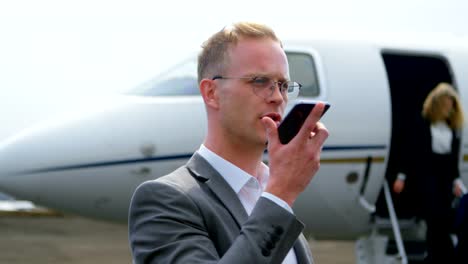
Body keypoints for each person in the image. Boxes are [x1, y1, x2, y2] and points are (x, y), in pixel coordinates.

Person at [128, 22, 329, 264]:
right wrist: (281, 195)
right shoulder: (163, 199)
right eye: (259, 81)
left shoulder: (269, 194)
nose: (277, 97)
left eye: (283, 85)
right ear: (211, 92)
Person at [392, 82, 466, 263]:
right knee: (434, 216)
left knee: (443, 217)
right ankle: (439, 255)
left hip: (445, 177)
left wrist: (457, 181)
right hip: (428, 175)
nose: (448, 108)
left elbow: (452, 160)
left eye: (451, 104)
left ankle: (439, 256)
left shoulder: (452, 129)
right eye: (446, 103)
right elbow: (411, 151)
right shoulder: (423, 124)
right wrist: (402, 176)